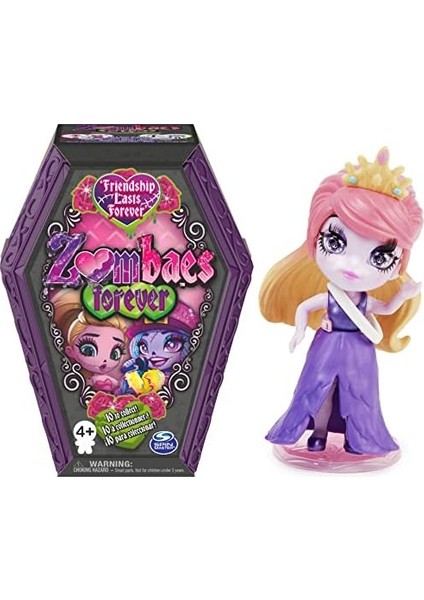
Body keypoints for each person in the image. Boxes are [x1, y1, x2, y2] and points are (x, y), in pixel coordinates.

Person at [260, 148, 422, 455]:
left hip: (359, 350)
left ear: (396, 267)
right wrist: (299, 331)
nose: (352, 266)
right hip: (328, 344)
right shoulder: (331, 296)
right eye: (335, 242)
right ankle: (318, 432)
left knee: (358, 394)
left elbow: (386, 309)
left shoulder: (366, 302)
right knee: (319, 391)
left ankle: (358, 437)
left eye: (380, 257)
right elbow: (304, 307)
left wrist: (403, 294)